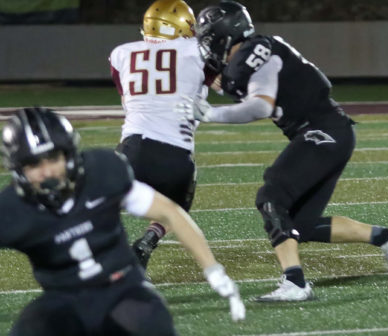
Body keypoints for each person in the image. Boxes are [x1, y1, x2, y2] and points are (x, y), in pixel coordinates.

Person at [179, 0, 388, 302]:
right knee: (301, 224)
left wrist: (208, 114)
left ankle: (295, 283)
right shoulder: (253, 51)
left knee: (271, 197)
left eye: (209, 38)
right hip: (331, 131)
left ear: (224, 34)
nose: (207, 45)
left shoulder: (256, 52)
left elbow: (262, 105)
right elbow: (237, 83)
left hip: (321, 131)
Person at [0, 108, 244, 335]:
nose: (47, 172)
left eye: (53, 158)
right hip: (63, 299)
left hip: (123, 289)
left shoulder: (101, 173)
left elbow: (171, 213)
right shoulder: (12, 209)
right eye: (33, 164)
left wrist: (213, 270)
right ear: (18, 169)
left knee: (151, 323)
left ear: (69, 154)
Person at [109, 0, 215, 271]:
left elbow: (127, 97)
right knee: (176, 210)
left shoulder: (121, 53)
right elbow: (227, 81)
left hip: (131, 147)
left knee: (101, 204)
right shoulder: (196, 51)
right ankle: (150, 238)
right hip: (175, 156)